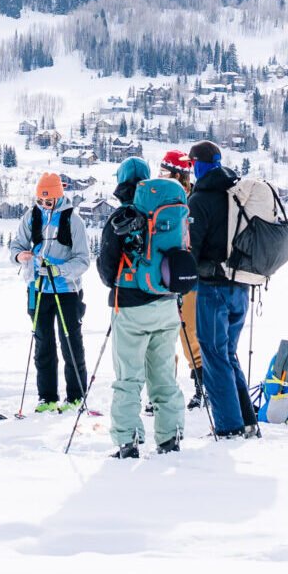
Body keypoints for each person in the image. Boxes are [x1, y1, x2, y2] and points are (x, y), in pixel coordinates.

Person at [97, 156, 189, 458]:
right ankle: (170, 437)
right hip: (166, 304)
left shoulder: (121, 217)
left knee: (128, 377)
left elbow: (107, 271)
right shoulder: (165, 212)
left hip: (132, 307)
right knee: (163, 375)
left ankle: (128, 441)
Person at [185, 140, 259, 440]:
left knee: (214, 354)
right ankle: (247, 420)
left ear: (197, 165)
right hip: (241, 283)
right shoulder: (235, 191)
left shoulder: (200, 199)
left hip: (213, 286)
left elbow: (194, 248)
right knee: (227, 353)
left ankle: (229, 426)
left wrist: (182, 279)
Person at [8, 171, 88, 412]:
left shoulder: (74, 221)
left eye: (48, 201)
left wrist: (59, 270)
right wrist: (20, 256)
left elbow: (83, 261)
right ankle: (47, 397)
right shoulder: (30, 217)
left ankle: (75, 396)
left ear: (58, 197)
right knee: (43, 344)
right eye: (40, 200)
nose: (44, 205)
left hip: (66, 291)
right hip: (38, 289)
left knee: (70, 343)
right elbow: (16, 246)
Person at [159, 148, 206, 409]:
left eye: (165, 171)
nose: (160, 175)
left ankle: (202, 387)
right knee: (164, 335)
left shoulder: (191, 200)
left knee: (190, 333)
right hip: (164, 276)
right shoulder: (161, 199)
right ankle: (164, 390)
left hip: (188, 275)